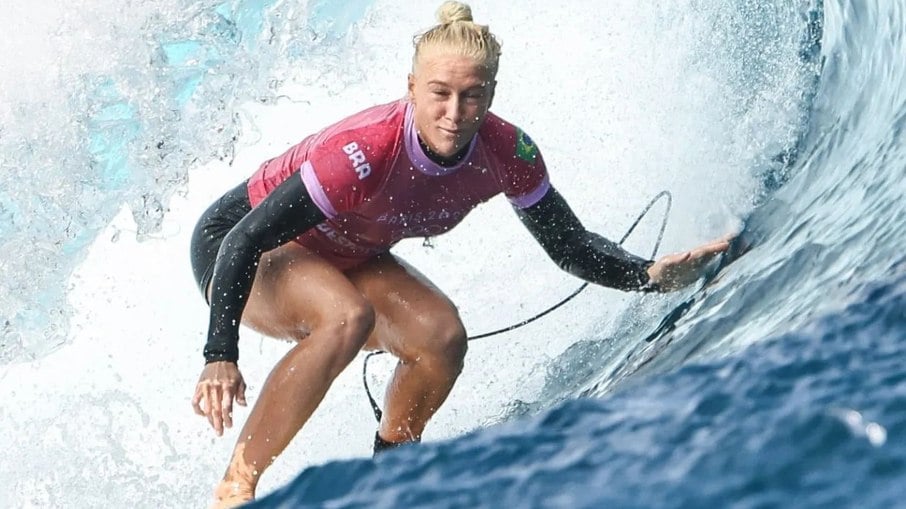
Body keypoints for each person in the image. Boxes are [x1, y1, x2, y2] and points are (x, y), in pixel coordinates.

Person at [189, 1, 731, 506]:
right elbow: (242, 240)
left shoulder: (507, 152)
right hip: (239, 249)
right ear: (411, 88)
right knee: (347, 317)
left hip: (341, 254)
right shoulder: (364, 151)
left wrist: (650, 275)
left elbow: (567, 245)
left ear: (491, 94)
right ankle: (238, 484)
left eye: (472, 95)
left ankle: (393, 475)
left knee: (441, 337)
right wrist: (220, 355)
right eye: (439, 93)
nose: (454, 112)